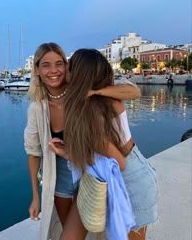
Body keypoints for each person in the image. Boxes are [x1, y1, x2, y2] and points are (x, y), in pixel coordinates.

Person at [24, 43, 141, 240]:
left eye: (59, 64)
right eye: (46, 65)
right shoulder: (37, 109)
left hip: (91, 169)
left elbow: (133, 92)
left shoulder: (81, 92)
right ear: (36, 69)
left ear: (67, 66)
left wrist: (96, 92)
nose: (54, 71)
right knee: (69, 230)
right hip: (60, 174)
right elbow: (33, 152)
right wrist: (35, 196)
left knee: (97, 227)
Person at [49, 48, 158, 240]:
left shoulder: (92, 112)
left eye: (69, 65)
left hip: (128, 180)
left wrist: (70, 154)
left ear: (79, 74)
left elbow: (118, 161)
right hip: (103, 175)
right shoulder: (96, 100)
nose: (64, 68)